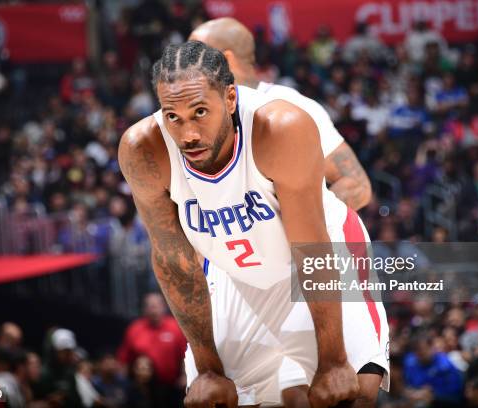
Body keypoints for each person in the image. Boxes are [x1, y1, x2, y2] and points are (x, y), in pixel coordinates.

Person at [118, 40, 389, 407]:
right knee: (211, 397)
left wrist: (333, 361)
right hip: (234, 274)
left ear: (230, 99)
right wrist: (208, 367)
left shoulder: (280, 127)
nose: (188, 134)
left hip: (312, 260)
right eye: (173, 117)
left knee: (350, 392)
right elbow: (174, 263)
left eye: (200, 112)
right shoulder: (142, 150)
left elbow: (311, 249)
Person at [189, 17, 371, 211]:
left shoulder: (289, 106)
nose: (183, 66)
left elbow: (356, 184)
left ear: (225, 60)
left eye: (194, 57)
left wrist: (301, 223)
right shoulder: (190, 117)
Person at [117, 293, 187, 406]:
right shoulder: (134, 329)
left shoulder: (176, 327)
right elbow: (124, 359)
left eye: (156, 306)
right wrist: (124, 384)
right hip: (143, 388)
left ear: (164, 307)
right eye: (149, 306)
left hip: (172, 387)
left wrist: (185, 376)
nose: (153, 310)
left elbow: (185, 355)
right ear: (144, 309)